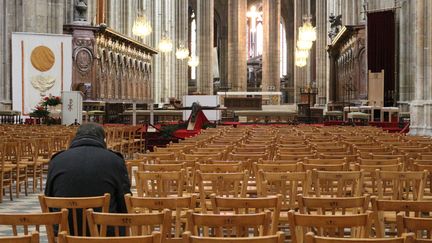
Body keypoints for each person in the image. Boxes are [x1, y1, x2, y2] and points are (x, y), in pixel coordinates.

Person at [45, 123, 131, 235]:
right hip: (105, 233)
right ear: (102, 139)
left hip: (64, 231)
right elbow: (124, 202)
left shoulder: (57, 160)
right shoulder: (114, 160)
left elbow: (48, 198)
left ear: (76, 137)